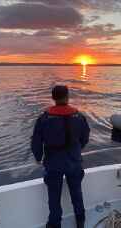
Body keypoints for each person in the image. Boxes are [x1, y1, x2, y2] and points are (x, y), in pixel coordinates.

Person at [31, 85, 90, 228]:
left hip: (53, 163)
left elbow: (36, 142)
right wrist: (77, 150)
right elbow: (85, 137)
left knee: (54, 197)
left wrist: (38, 158)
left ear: (53, 98)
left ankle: (55, 224)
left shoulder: (44, 119)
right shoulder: (79, 117)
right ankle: (80, 221)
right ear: (67, 96)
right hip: (74, 161)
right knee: (76, 193)